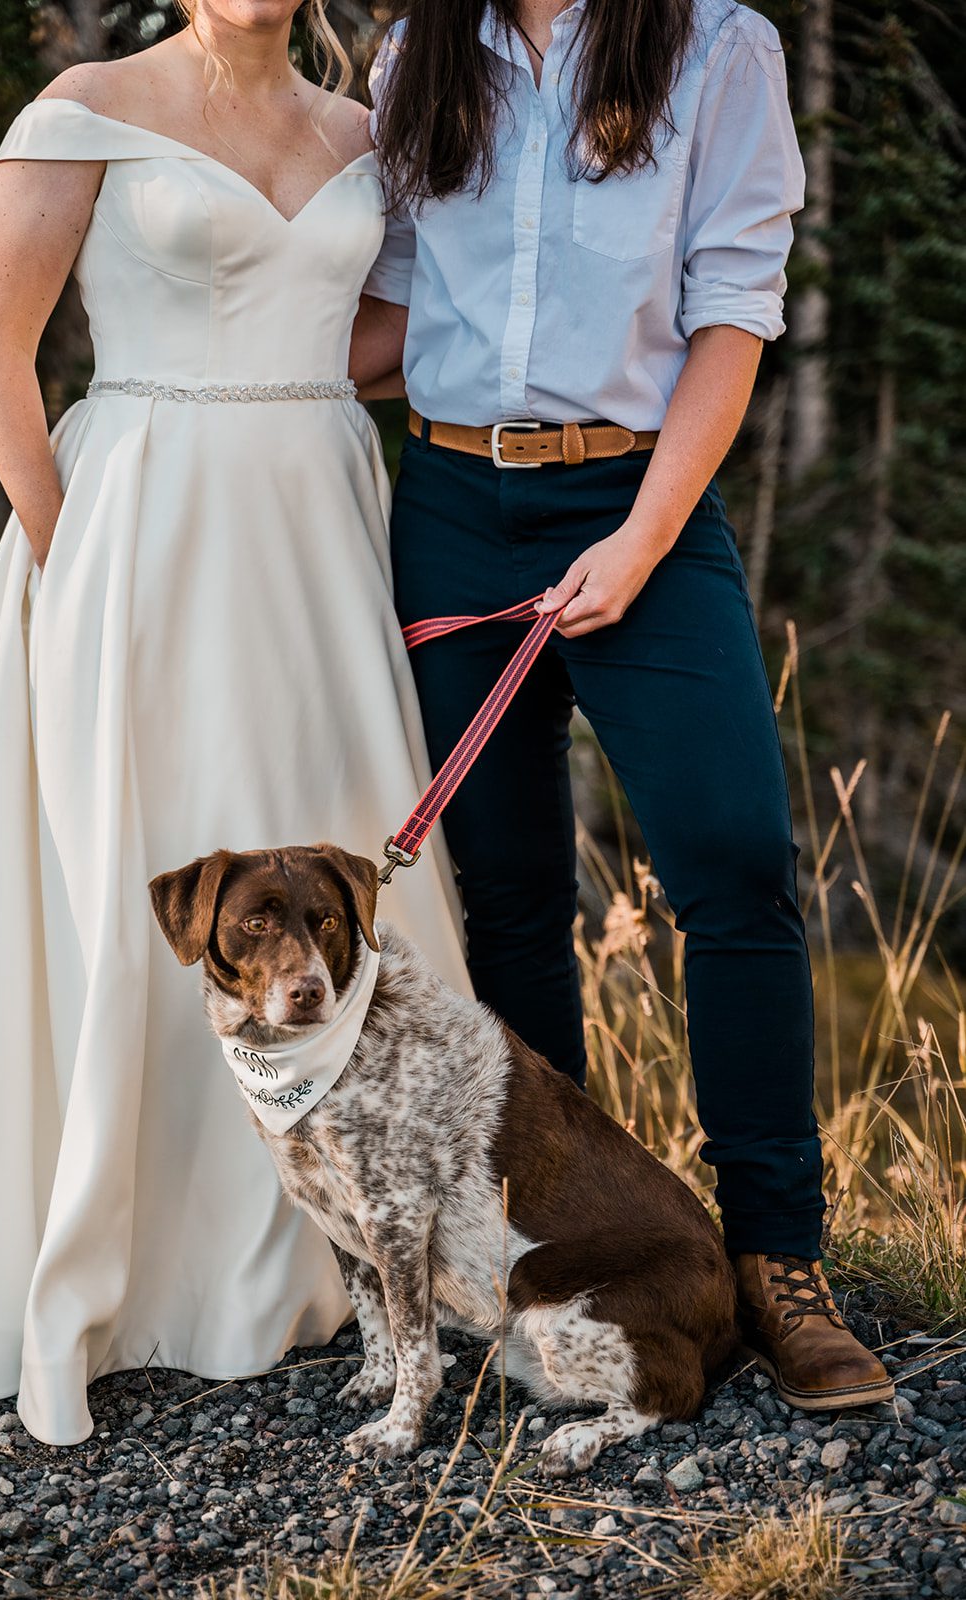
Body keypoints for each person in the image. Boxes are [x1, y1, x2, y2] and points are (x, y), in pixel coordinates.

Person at [0, 0, 469, 1446]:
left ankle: (321, 1264)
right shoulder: (84, 109)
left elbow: (381, 336)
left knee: (323, 866)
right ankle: (133, 1269)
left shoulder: (363, 134)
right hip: (134, 546)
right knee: (140, 874)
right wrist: (64, 559)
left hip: (317, 549)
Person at [356, 0, 892, 1410]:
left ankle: (778, 1259)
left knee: (732, 859)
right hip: (455, 507)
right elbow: (396, 302)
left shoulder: (723, 50)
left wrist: (645, 539)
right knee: (511, 889)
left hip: (639, 494)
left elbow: (733, 311)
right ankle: (569, 1247)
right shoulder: (419, 56)